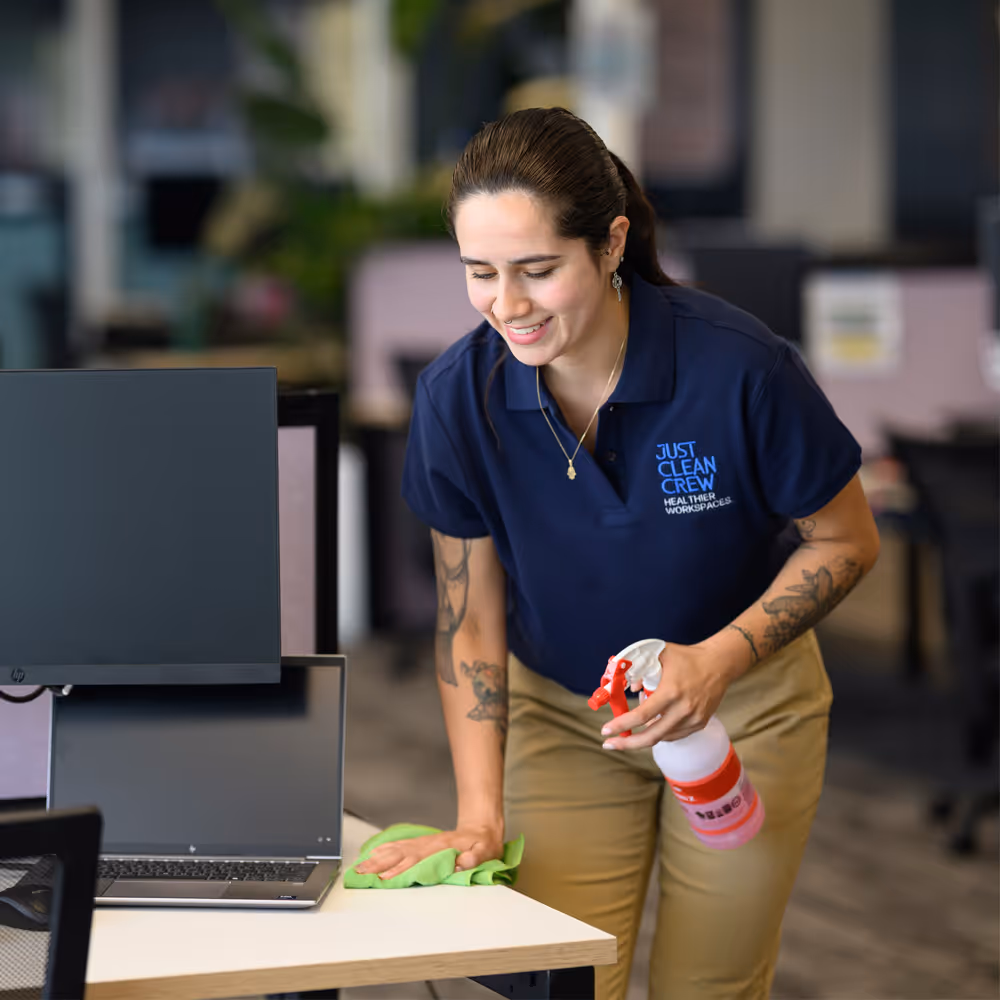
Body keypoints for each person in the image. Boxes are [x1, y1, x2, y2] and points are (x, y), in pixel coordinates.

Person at [354, 107, 881, 1000]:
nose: (507, 306)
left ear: (610, 244)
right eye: (479, 273)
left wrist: (716, 662)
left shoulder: (738, 368)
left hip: (745, 714)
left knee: (707, 985)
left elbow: (846, 540)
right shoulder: (457, 398)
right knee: (554, 981)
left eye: (538, 270)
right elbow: (468, 617)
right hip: (565, 717)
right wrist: (478, 816)